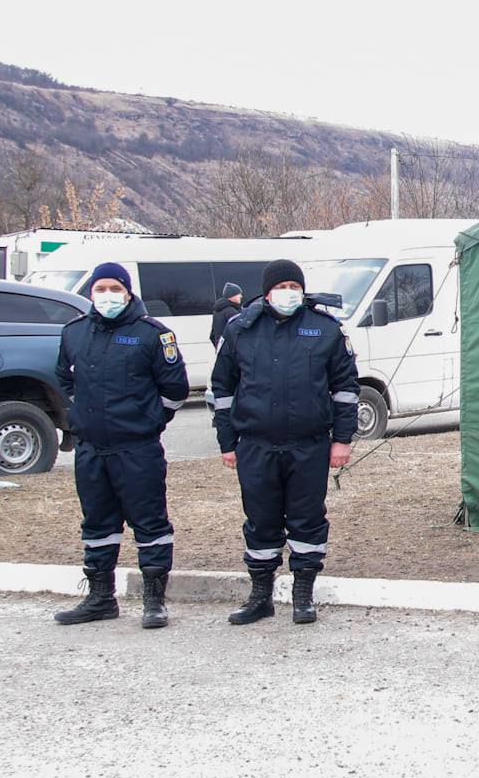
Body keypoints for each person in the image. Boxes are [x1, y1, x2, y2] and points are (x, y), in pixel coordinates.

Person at [210, 259, 359, 626]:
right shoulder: (240, 329)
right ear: (266, 290)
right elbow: (221, 390)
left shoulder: (326, 329)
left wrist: (342, 440)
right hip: (256, 445)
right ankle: (261, 596)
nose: (289, 292)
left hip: (307, 445)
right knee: (260, 522)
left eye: (295, 286)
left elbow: (346, 390)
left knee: (307, 520)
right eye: (282, 286)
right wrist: (227, 442)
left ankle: (303, 595)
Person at [51, 261, 190, 628]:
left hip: (137, 450)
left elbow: (174, 390)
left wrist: (148, 421)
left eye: (116, 289)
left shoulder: (152, 335)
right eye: (101, 289)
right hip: (91, 449)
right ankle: (100, 598)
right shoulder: (74, 333)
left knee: (151, 524)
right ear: (91, 292)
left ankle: (154, 600)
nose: (107, 295)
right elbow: (65, 381)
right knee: (97, 524)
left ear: (128, 292)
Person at [209, 282, 244, 347]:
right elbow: (239, 333)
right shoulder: (231, 312)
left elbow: (212, 335)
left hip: (221, 349)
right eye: (238, 294)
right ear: (231, 295)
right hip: (231, 349)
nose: (241, 296)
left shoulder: (217, 311)